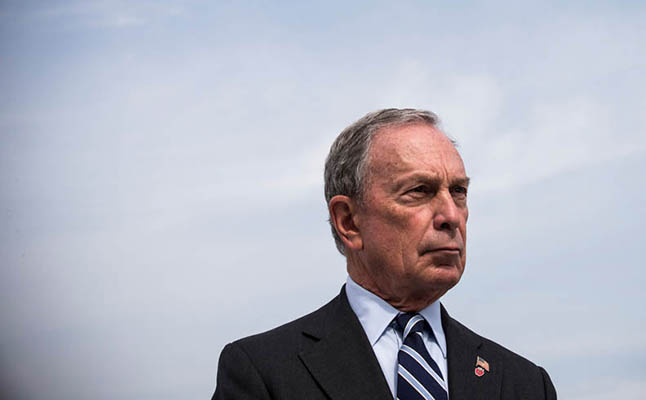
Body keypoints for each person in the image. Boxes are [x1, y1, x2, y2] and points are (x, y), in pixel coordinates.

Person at [211, 109, 556, 399]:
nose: (451, 216)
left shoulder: (525, 384)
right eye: (419, 190)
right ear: (349, 221)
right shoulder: (263, 372)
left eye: (458, 192)